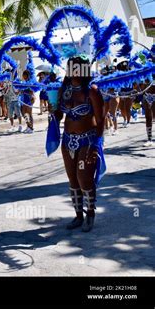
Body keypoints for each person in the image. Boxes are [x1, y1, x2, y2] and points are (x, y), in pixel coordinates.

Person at [50, 56, 105, 232]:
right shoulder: (64, 90)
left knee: (84, 179)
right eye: (70, 67)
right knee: (72, 179)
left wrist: (96, 145)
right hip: (67, 141)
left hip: (87, 141)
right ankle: (78, 215)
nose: (72, 70)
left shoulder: (92, 91)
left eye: (76, 67)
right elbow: (59, 114)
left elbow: (101, 120)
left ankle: (90, 214)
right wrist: (54, 112)